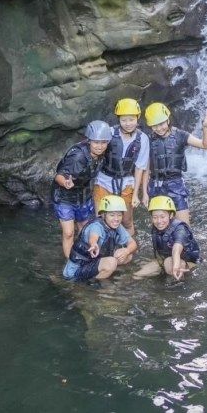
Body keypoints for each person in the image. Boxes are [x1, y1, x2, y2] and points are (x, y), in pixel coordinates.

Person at [142, 103, 207, 225]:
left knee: (183, 227)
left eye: (161, 124)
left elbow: (205, 145)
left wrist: (205, 128)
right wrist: (144, 193)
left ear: (168, 120)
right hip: (156, 185)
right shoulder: (147, 139)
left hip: (176, 184)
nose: (159, 128)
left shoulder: (181, 135)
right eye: (154, 126)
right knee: (160, 226)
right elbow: (145, 168)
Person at [52, 120, 111, 259]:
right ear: (89, 140)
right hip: (64, 197)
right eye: (96, 142)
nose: (100, 146)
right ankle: (71, 262)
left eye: (103, 142)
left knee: (85, 229)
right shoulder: (78, 156)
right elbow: (58, 176)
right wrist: (65, 182)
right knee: (68, 233)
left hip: (84, 196)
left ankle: (83, 254)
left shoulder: (103, 154)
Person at [92, 98, 149, 238]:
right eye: (124, 120)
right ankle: (103, 250)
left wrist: (136, 194)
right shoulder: (109, 132)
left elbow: (140, 168)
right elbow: (95, 150)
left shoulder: (143, 139)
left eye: (131, 119)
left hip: (126, 182)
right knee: (101, 217)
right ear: (118, 119)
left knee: (126, 220)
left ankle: (127, 249)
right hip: (104, 180)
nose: (128, 123)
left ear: (138, 118)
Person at [62, 195, 138, 282]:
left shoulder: (117, 226)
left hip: (93, 262)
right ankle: (93, 283)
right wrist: (94, 244)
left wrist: (126, 251)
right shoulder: (96, 226)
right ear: (103, 215)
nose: (116, 219)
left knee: (128, 256)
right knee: (111, 262)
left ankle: (106, 272)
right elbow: (93, 237)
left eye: (119, 215)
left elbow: (133, 244)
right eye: (112, 215)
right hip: (75, 272)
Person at [133, 196, 200, 280]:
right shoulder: (156, 227)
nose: (159, 221)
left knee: (169, 262)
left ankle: (178, 284)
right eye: (155, 217)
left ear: (171, 215)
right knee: (137, 276)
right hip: (165, 261)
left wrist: (175, 266)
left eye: (162, 217)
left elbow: (176, 248)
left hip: (186, 263)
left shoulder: (180, 229)